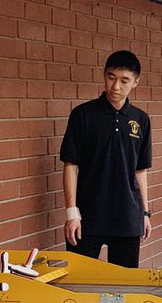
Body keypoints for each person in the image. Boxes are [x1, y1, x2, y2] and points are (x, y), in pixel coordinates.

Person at [59, 50, 153, 267]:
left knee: (125, 287)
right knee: (79, 282)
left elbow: (141, 170)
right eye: (111, 77)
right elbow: (71, 164)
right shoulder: (83, 114)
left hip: (128, 216)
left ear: (136, 83)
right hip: (88, 215)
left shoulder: (141, 119)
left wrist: (145, 213)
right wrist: (72, 212)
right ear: (104, 75)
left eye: (124, 81)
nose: (116, 87)